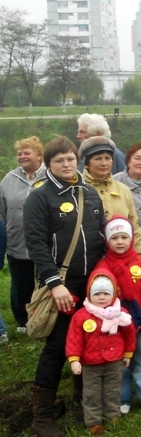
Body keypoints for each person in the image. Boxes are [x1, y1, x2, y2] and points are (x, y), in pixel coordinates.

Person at [25, 136, 107, 437]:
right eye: (59, 160)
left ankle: (82, 402)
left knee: (88, 342)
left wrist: (104, 279)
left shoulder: (88, 193)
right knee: (58, 347)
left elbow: (99, 236)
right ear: (49, 164)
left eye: (70, 159)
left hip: (90, 284)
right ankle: (42, 417)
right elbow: (36, 245)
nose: (66, 164)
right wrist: (55, 283)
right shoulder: (40, 198)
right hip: (61, 285)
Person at [93, 216, 141, 416]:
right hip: (114, 321)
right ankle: (123, 398)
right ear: (108, 241)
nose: (120, 242)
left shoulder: (140, 262)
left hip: (139, 318)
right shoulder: (103, 265)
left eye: (124, 237)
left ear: (131, 238)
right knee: (119, 361)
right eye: (115, 238)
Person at [65, 269, 136, 436]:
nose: (102, 297)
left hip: (114, 360)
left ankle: (113, 415)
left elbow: (129, 335)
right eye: (97, 294)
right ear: (89, 295)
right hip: (90, 363)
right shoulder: (81, 316)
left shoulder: (120, 314)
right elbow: (74, 339)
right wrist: (74, 359)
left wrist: (127, 354)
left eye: (106, 293)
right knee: (92, 393)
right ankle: (94, 421)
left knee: (113, 390)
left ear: (113, 294)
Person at [0, 136, 48, 333]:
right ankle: (22, 320)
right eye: (19, 153)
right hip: (17, 241)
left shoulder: (50, 175)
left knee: (45, 280)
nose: (22, 156)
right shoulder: (9, 179)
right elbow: (2, 210)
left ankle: (45, 316)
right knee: (21, 283)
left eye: (26, 152)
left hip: (45, 241)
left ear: (39, 155)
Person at [79, 136, 141, 255]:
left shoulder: (123, 189)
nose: (104, 163)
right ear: (87, 163)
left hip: (121, 258)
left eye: (108, 158)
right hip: (89, 259)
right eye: (98, 159)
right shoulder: (78, 189)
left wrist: (138, 255)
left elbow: (134, 226)